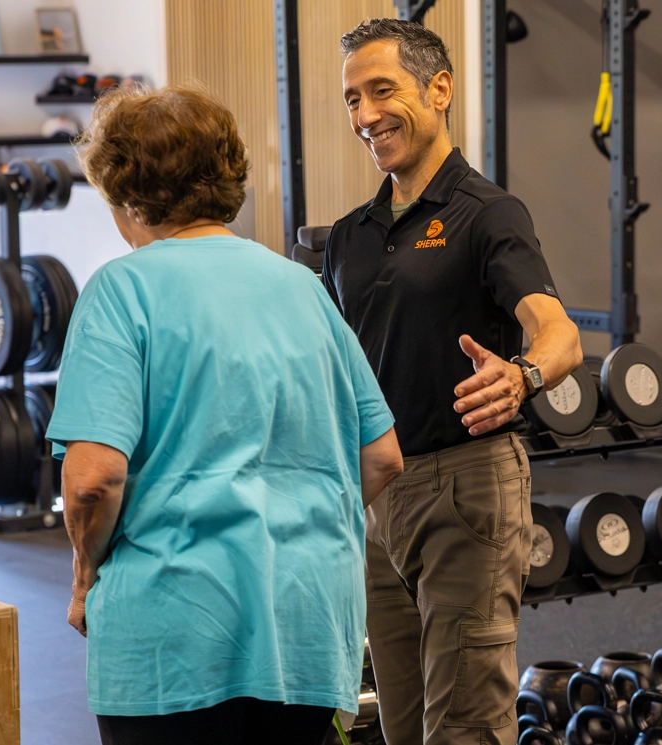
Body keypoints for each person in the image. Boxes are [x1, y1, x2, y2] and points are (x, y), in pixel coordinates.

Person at [47, 85, 405, 745]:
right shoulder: (302, 286)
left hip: (174, 632)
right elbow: (381, 454)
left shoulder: (121, 290)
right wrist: (304, 518)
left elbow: (93, 478)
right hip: (306, 627)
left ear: (127, 197)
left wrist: (84, 568)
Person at [325, 19, 583, 745]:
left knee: (465, 726)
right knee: (401, 723)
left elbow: (560, 334)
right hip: (378, 493)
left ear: (439, 89)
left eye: (382, 91)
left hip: (466, 485)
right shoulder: (350, 236)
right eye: (351, 100)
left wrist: (524, 375)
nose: (365, 115)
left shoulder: (487, 214)